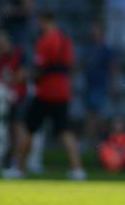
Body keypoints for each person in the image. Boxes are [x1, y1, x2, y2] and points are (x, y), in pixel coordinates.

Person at [5, 11, 86, 180]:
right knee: (65, 131)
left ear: (45, 21)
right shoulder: (66, 41)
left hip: (46, 92)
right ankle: (77, 170)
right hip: (63, 91)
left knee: (28, 129)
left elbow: (38, 69)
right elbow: (70, 66)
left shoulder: (45, 41)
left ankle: (19, 169)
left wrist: (21, 77)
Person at [0, 30, 28, 169]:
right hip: (8, 98)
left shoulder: (19, 54)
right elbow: (1, 76)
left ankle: (20, 161)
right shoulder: (0, 58)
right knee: (11, 132)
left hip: (20, 97)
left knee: (18, 129)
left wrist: (9, 83)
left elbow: (22, 74)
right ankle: (14, 159)